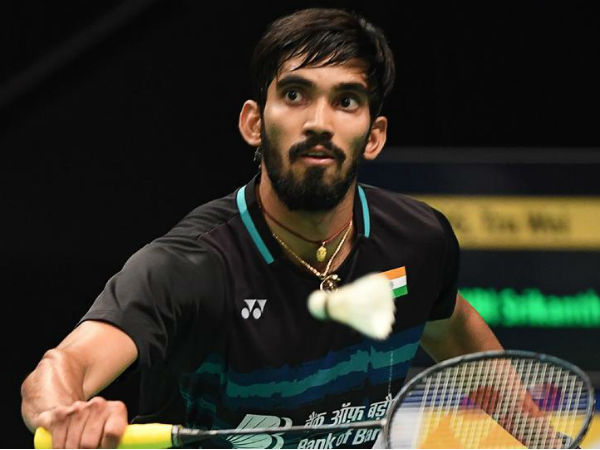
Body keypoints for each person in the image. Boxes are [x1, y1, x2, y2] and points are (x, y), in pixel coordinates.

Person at [21, 8, 503, 449]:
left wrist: (537, 435)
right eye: (295, 95)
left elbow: (468, 348)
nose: (318, 122)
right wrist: (63, 413)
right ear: (253, 123)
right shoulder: (192, 265)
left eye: (346, 100)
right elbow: (66, 364)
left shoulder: (417, 242)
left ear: (374, 136)